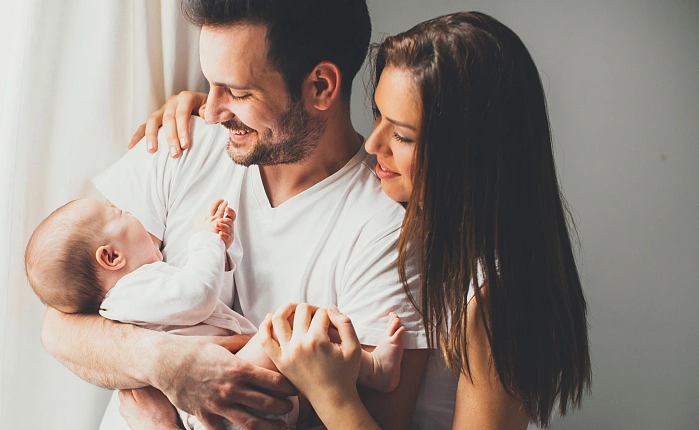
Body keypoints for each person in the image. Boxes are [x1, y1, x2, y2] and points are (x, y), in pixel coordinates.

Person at [144, 10, 592, 430]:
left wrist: (329, 390)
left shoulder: (495, 298)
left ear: (469, 155)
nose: (374, 144)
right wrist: (234, 107)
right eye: (378, 115)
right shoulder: (424, 226)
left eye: (401, 134)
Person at [40, 1, 437, 429]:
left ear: (321, 86)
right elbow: (59, 325)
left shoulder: (386, 233)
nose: (210, 112)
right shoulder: (180, 142)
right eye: (210, 85)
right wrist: (167, 362)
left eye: (238, 92)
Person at [26, 197, 408, 429]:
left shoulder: (143, 292)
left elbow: (206, 302)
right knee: (290, 327)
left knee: (307, 366)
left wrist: (220, 249)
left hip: (227, 404)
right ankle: (374, 371)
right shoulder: (130, 293)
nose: (132, 213)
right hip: (217, 410)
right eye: (119, 212)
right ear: (111, 256)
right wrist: (205, 240)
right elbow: (197, 296)